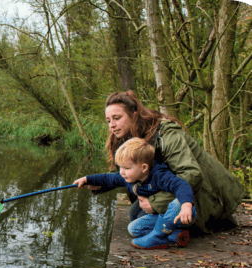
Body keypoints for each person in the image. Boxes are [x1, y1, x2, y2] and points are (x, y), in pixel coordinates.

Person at [83, 90, 245, 235]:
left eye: (117, 118)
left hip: (207, 196)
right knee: (134, 214)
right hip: (178, 190)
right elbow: (132, 171)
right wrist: (100, 183)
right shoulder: (131, 136)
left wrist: (154, 203)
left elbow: (192, 175)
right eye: (108, 120)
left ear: (134, 115)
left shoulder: (166, 135)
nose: (112, 125)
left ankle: (197, 225)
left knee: (138, 223)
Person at [74, 138, 196, 249]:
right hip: (162, 218)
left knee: (177, 203)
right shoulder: (128, 176)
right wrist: (87, 179)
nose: (122, 172)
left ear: (143, 168)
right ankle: (173, 235)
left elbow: (182, 185)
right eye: (120, 167)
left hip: (180, 215)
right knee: (133, 229)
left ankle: (157, 236)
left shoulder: (159, 175)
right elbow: (108, 178)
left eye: (126, 168)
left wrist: (186, 206)